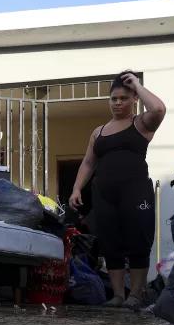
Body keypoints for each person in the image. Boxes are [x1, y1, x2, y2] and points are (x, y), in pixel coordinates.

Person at [69, 71, 166, 309]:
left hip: (135, 191)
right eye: (114, 98)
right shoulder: (98, 131)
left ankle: (136, 294)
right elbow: (89, 162)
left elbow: (159, 109)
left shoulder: (141, 123)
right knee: (110, 242)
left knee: (138, 240)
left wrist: (137, 85)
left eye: (124, 98)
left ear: (134, 99)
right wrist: (76, 189)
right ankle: (118, 295)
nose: (118, 103)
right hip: (104, 193)